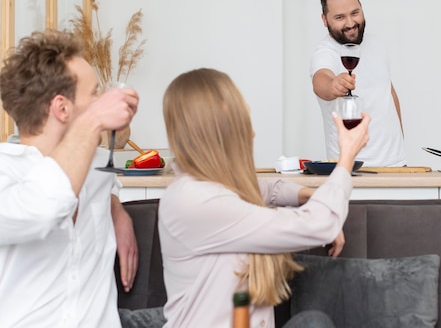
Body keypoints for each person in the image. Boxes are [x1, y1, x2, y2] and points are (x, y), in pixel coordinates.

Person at [158, 68, 370, 328]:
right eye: (243, 120)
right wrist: (346, 158)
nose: (253, 133)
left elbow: (266, 188)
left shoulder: (211, 187)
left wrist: (307, 195)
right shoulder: (194, 200)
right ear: (222, 123)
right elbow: (317, 225)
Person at [0, 30, 140, 327]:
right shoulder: (5, 171)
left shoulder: (98, 164)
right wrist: (93, 120)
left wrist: (116, 206)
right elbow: (41, 209)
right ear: (62, 108)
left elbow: (104, 170)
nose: (102, 102)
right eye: (94, 95)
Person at [310, 0, 406, 167]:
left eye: (355, 13)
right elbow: (320, 80)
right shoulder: (325, 52)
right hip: (352, 169)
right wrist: (333, 86)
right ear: (324, 20)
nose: (350, 23)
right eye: (339, 17)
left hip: (396, 165)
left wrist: (400, 142)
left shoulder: (376, 44)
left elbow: (388, 93)